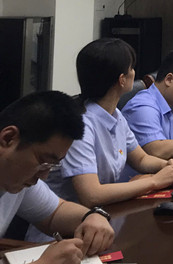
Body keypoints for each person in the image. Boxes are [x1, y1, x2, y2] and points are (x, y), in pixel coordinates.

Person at [44, 39, 173, 207]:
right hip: (69, 219)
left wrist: (168, 166)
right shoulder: (82, 125)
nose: (134, 72)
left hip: (105, 210)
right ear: (122, 79)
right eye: (131, 68)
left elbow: (141, 159)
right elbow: (91, 195)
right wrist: (154, 181)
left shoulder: (115, 114)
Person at [0, 91, 115, 261]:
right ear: (8, 138)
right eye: (43, 161)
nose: (44, 176)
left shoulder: (14, 178)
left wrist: (92, 217)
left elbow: (55, 213)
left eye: (52, 165)